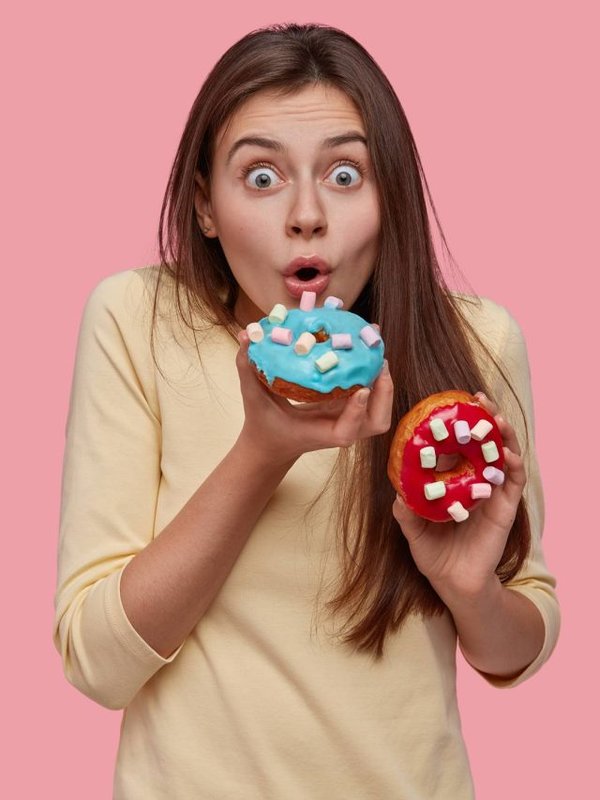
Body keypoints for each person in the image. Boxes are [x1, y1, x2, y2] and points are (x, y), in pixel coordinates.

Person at [53, 22, 560, 799]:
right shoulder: (137, 320)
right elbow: (97, 664)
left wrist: (469, 589)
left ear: (391, 196)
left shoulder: (475, 340)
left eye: (346, 175)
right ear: (206, 205)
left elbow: (518, 646)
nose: (306, 214)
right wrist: (262, 454)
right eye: (261, 177)